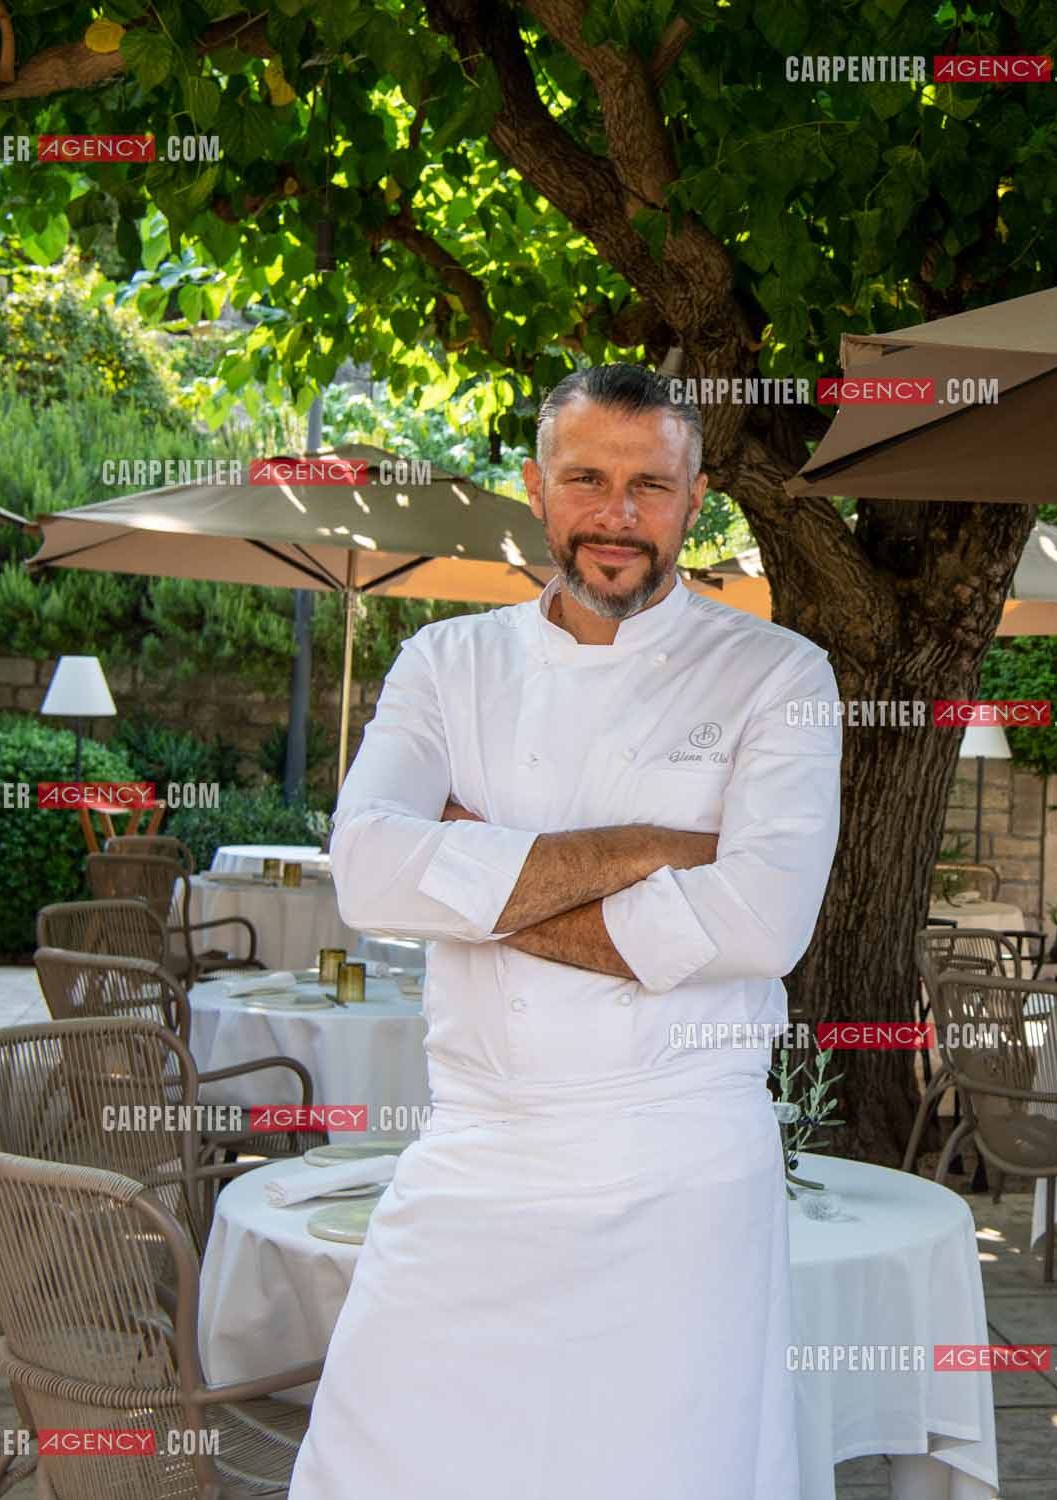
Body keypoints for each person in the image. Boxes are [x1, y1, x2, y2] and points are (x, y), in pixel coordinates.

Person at [291, 365, 840, 1498]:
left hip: (680, 1164)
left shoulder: (781, 677)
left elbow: (761, 920)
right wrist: (650, 845)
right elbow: (369, 875)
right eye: (587, 478)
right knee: (388, 1462)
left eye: (652, 485)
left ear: (695, 503)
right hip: (477, 1149)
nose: (617, 514)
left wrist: (482, 880)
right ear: (538, 488)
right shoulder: (445, 663)